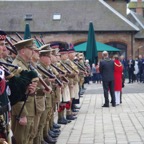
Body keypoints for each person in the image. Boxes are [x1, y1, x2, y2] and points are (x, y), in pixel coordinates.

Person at [11, 38, 39, 144]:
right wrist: (22, 114)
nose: (33, 51)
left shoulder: (25, 65)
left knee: (28, 137)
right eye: (30, 49)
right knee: (21, 140)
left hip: (28, 107)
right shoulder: (16, 67)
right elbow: (14, 92)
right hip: (22, 109)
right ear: (23, 51)